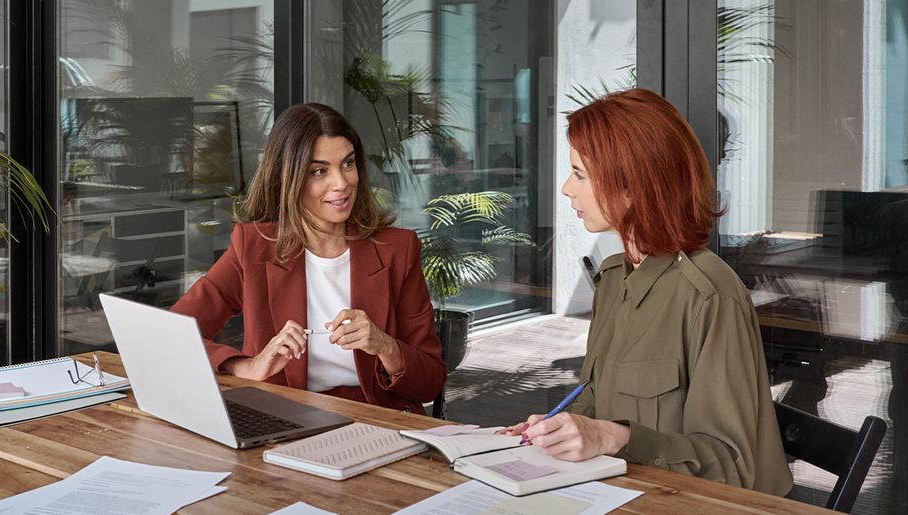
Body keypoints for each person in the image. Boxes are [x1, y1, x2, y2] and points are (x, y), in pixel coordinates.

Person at [500, 88, 792, 495]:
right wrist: (558, 429)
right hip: (620, 494)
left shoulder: (710, 297)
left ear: (633, 186)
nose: (567, 189)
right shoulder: (614, 276)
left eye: (580, 174)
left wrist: (615, 438)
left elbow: (734, 465)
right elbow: (596, 395)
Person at [171, 103, 445, 414]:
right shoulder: (254, 247)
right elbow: (173, 332)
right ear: (288, 177)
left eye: (348, 164)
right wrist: (246, 366)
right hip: (284, 417)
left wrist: (385, 346)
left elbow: (430, 382)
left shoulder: (398, 249)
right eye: (319, 171)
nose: (341, 183)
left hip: (377, 419)